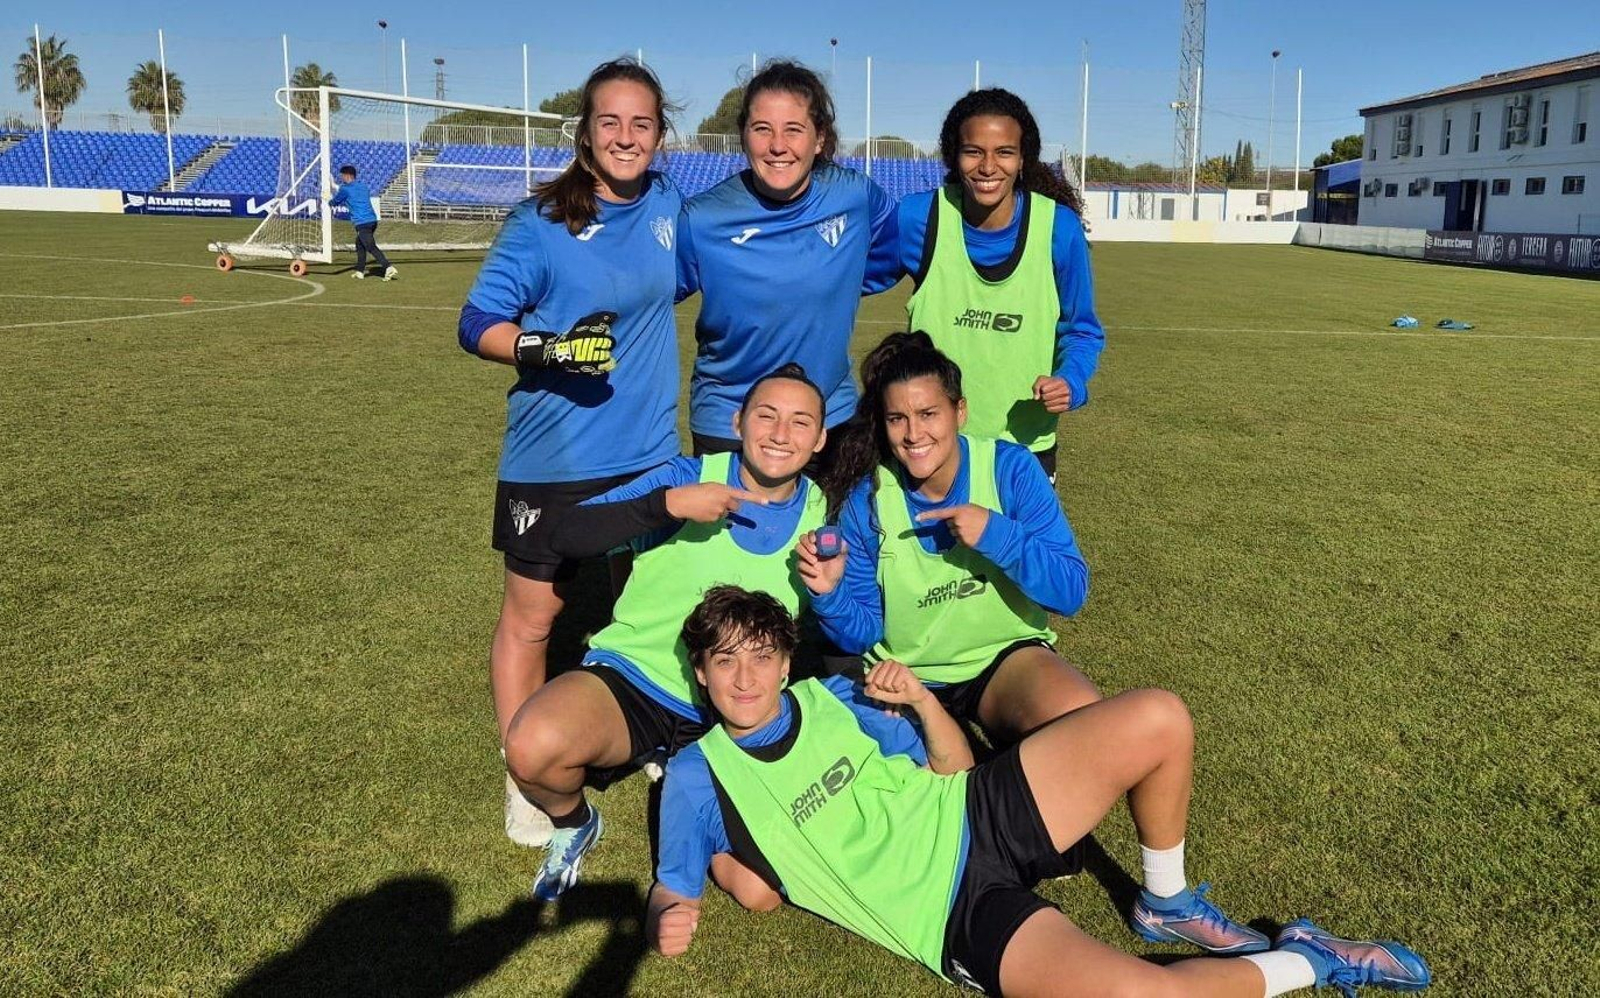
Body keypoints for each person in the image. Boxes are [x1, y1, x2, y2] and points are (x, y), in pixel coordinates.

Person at [646, 586, 1433, 998]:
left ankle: (1164, 899)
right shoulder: (695, 776)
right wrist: (670, 916)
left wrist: (921, 701)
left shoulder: (834, 697)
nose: (743, 678)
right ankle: (1316, 963)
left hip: (974, 808)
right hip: (951, 914)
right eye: (723, 662)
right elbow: (674, 887)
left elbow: (952, 771)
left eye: (758, 657)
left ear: (785, 662)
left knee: (1159, 716)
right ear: (702, 673)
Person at [456, 58, 683, 849]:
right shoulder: (539, 220)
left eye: (642, 123)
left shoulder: (669, 208)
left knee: (648, 605)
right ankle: (523, 774)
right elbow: (474, 320)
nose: (626, 137)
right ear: (585, 131)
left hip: (650, 451)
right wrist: (540, 348)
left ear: (660, 134)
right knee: (534, 618)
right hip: (551, 458)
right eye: (610, 122)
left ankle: (654, 732)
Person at [500, 366, 830, 899]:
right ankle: (574, 823)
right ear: (738, 420)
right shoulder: (687, 477)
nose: (779, 433)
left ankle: (687, 773)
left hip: (738, 705)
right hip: (637, 680)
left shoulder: (825, 513)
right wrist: (666, 506)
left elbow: (856, 624)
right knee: (531, 746)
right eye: (765, 416)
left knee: (757, 887)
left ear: (819, 438)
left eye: (800, 422)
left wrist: (831, 592)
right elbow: (565, 533)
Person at [813, 332, 1098, 749]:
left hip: (1004, 658)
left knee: (1082, 728)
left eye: (928, 413)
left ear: (959, 411)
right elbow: (863, 633)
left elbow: (1071, 591)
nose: (913, 434)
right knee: (944, 783)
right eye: (898, 419)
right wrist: (829, 594)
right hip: (907, 676)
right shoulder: (869, 500)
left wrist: (997, 535)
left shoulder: (1009, 469)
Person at [676, 60, 899, 465]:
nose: (777, 145)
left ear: (819, 139)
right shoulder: (703, 218)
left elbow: (897, 251)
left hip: (829, 418)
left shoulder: (856, 197)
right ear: (743, 135)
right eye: (762, 129)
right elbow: (649, 295)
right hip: (730, 421)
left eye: (793, 129)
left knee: (835, 530)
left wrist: (841, 278)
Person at [897, 88, 1105, 481]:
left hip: (1025, 451)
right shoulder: (918, 218)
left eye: (1004, 152)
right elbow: (849, 279)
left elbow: (1082, 329)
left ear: (1023, 158)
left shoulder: (1057, 229)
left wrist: (1071, 381)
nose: (988, 166)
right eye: (973, 151)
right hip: (929, 444)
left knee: (1015, 546)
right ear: (954, 156)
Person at [329, 165, 397, 280]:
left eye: (342, 176)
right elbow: (349, 190)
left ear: (347, 175)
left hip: (362, 223)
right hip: (372, 221)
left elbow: (334, 202)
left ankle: (388, 267)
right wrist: (335, 187)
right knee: (359, 244)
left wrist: (327, 199)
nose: (342, 178)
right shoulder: (363, 186)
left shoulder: (345, 189)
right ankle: (360, 271)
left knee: (370, 246)